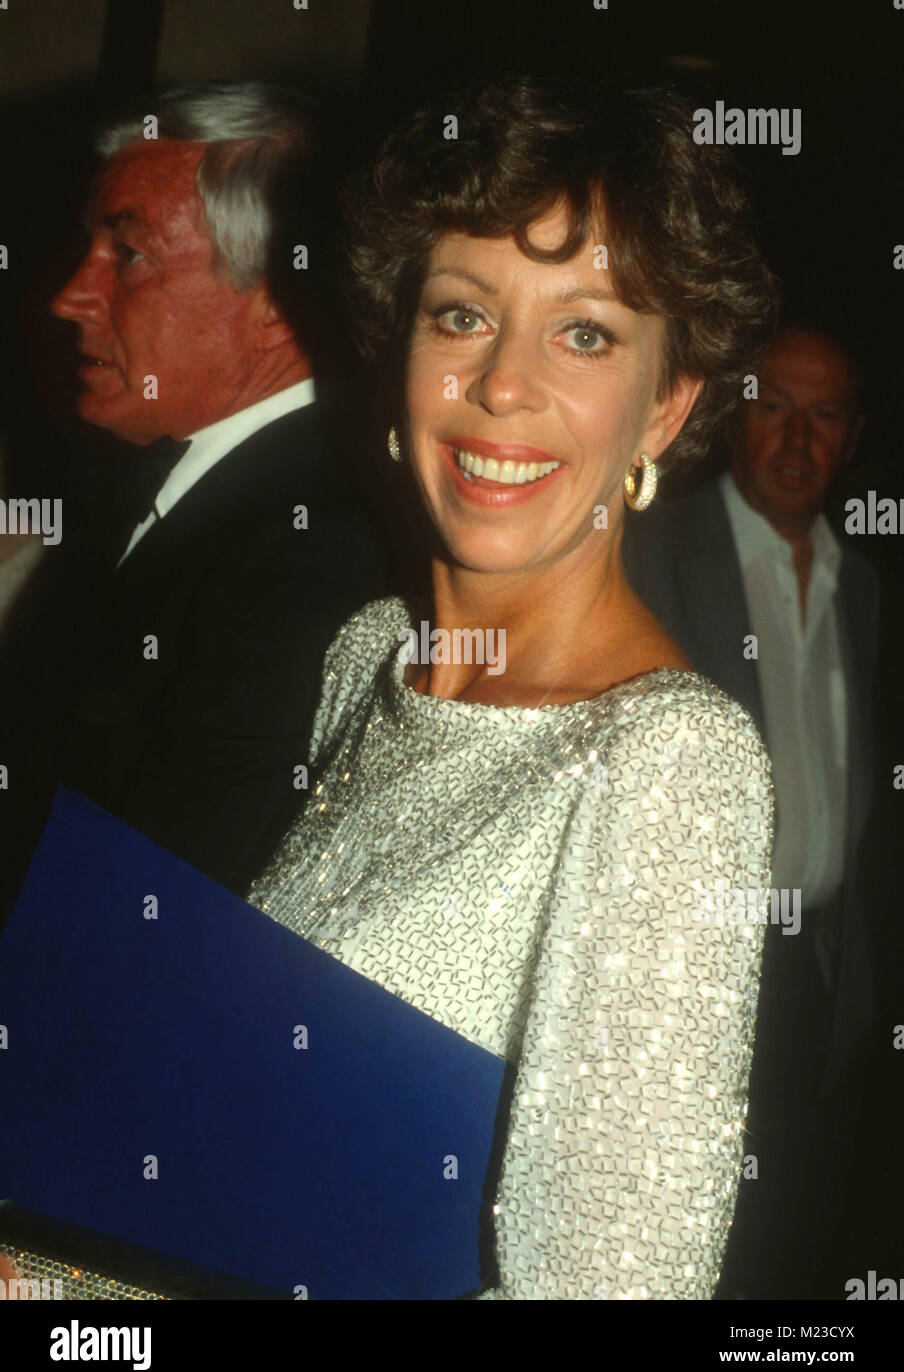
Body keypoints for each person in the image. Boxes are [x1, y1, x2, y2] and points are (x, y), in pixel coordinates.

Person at [0, 75, 776, 1302]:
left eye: (584, 332)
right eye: (462, 316)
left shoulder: (668, 760)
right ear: (397, 347)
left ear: (666, 407)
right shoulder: (367, 658)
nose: (503, 385)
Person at [0, 81, 386, 924]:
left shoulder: (313, 558)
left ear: (278, 306)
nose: (72, 296)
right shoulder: (144, 487)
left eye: (127, 255)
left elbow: (148, 911)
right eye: (88, 247)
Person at [622, 324, 880, 1297]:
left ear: (850, 436)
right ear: (734, 414)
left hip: (816, 971)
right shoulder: (648, 551)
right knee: (690, 1247)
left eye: (823, 416)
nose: (795, 438)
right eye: (773, 404)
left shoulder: (862, 587)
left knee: (789, 1245)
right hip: (689, 961)